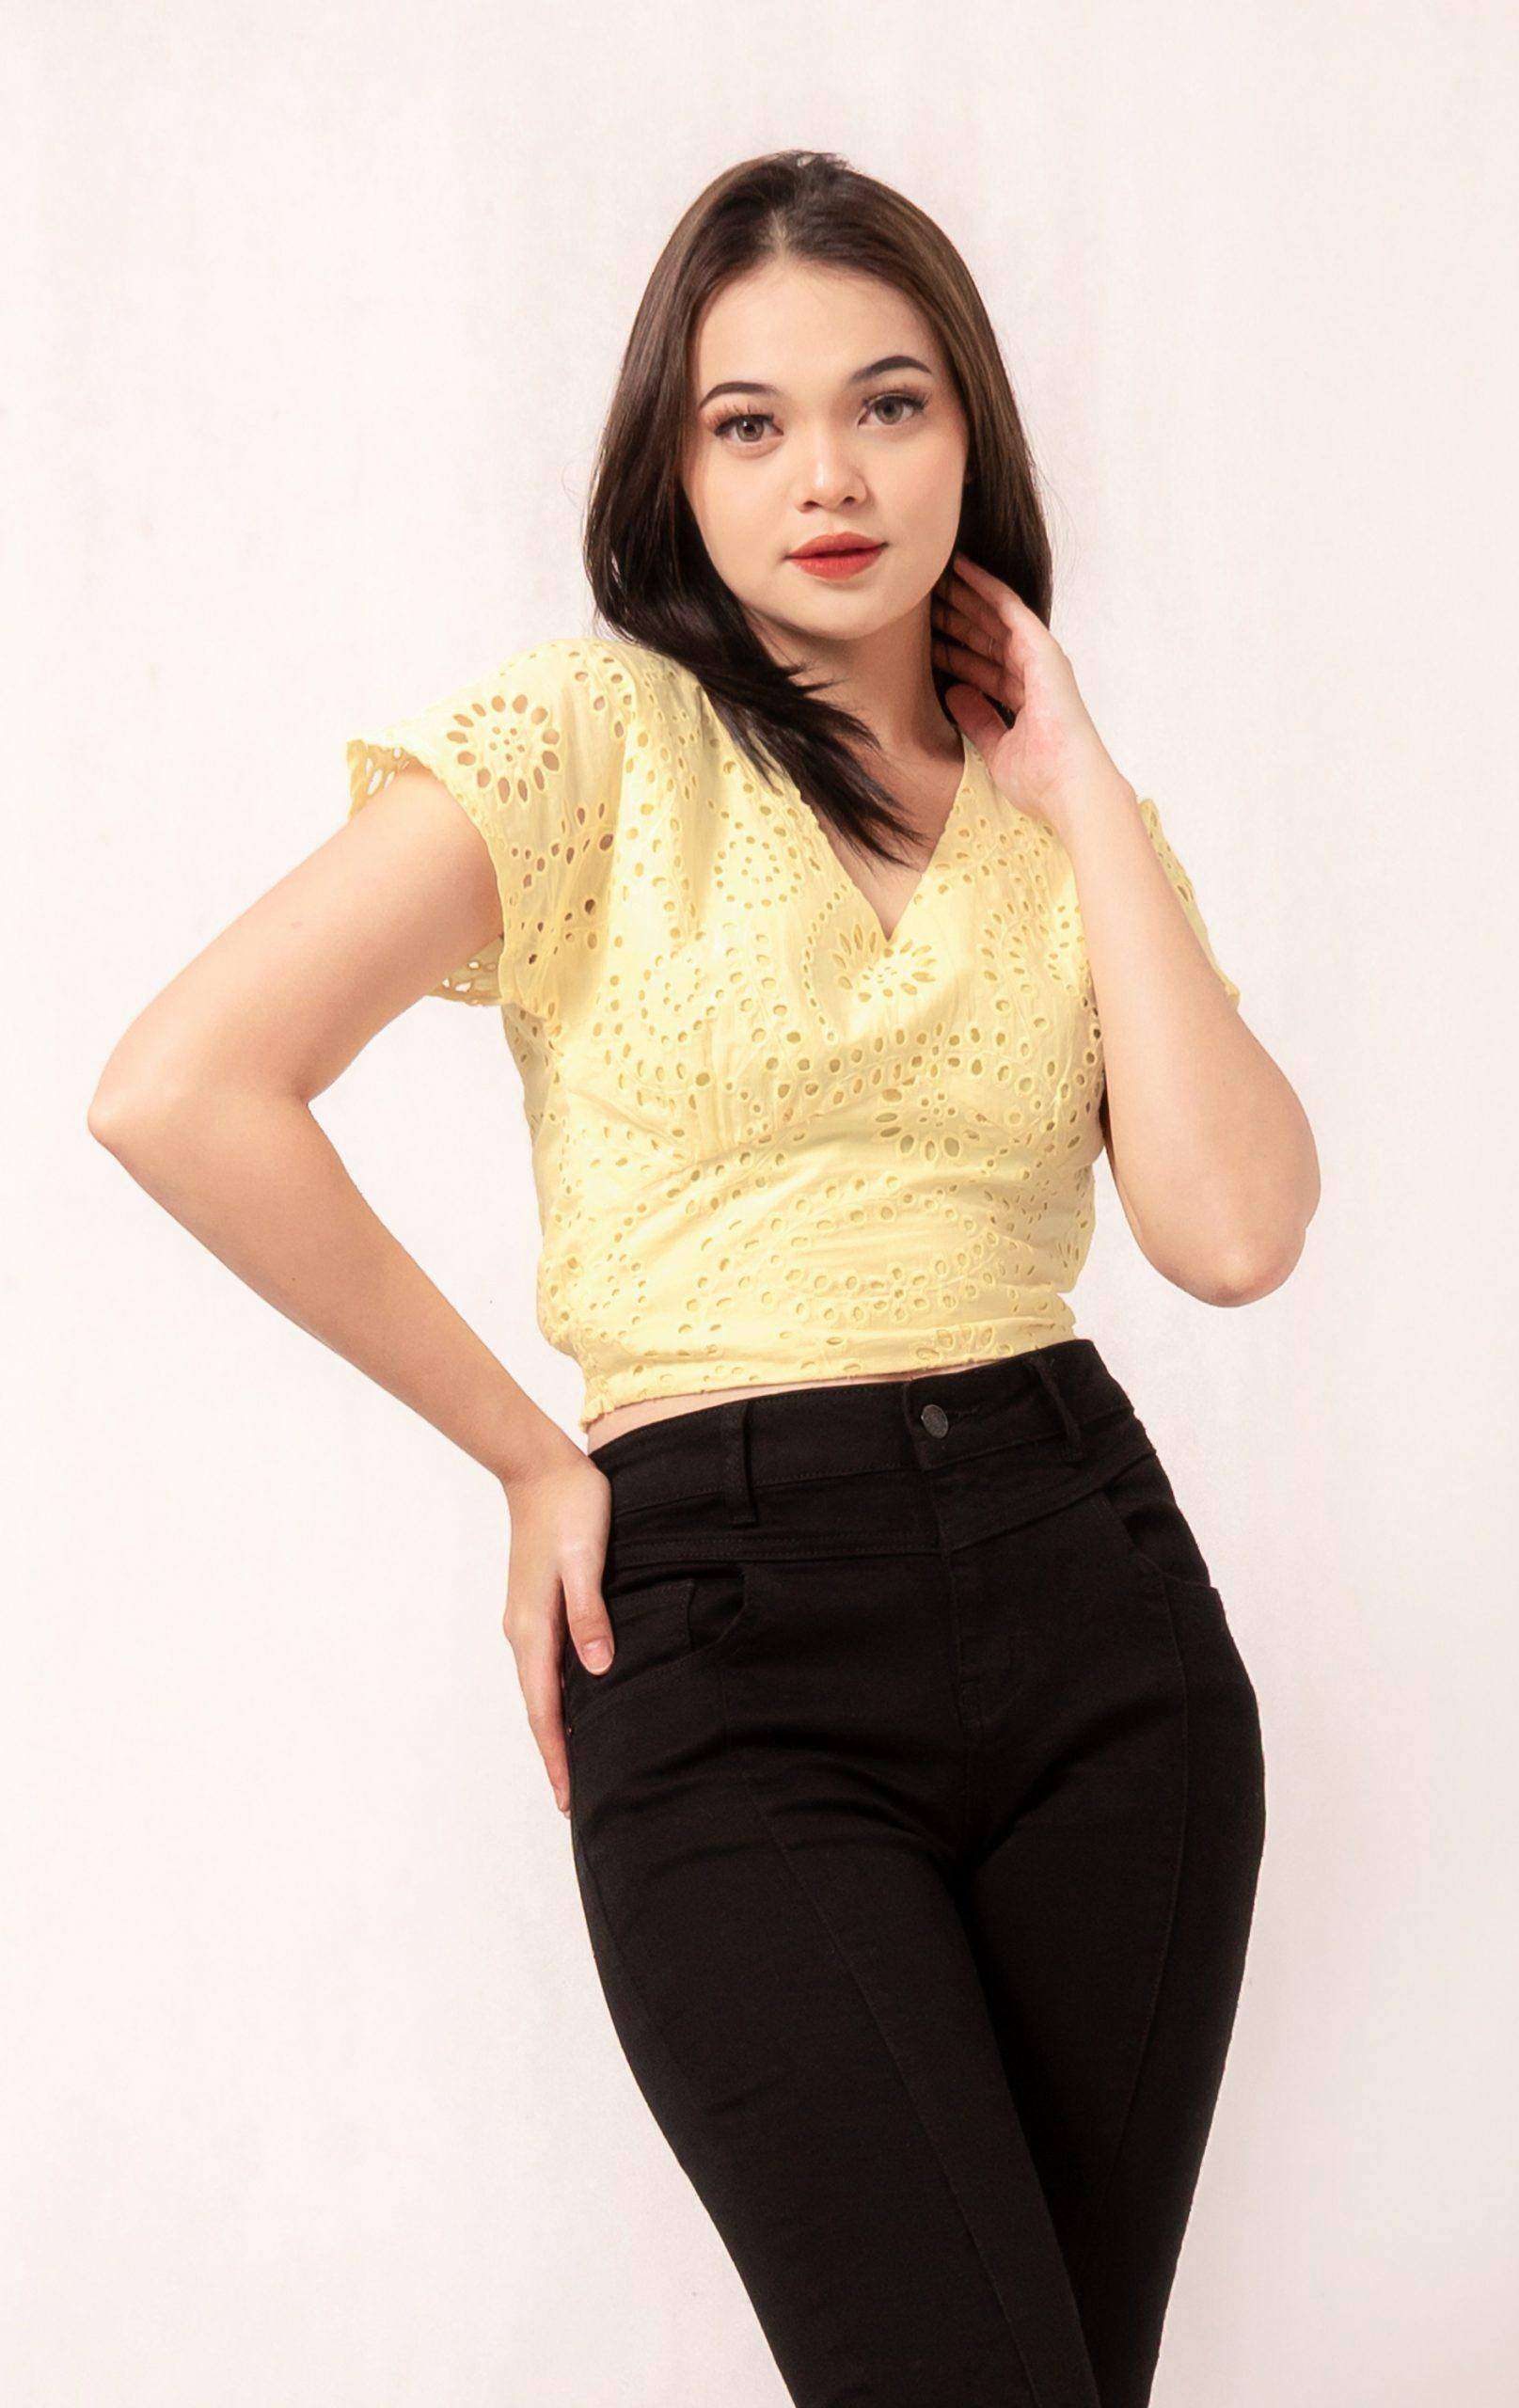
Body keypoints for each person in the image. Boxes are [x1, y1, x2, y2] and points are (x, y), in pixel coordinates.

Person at [89, 148, 1319, 2408]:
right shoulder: (593, 741)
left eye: (886, 404)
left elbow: (1230, 1231)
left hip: (1099, 1624)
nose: (825, 475)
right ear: (670, 464)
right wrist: (524, 1457)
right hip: (730, 1641)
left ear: (969, 436)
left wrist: (1078, 781)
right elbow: (182, 1086)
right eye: (747, 421)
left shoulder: (1071, 821)